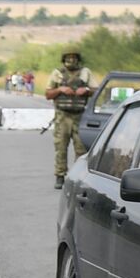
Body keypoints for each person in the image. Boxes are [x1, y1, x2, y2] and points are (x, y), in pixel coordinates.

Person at [45, 49, 93, 188]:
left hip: (80, 114)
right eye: (68, 58)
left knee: (81, 149)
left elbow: (96, 90)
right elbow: (48, 94)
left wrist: (86, 91)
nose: (71, 60)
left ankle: (78, 177)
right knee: (61, 147)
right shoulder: (57, 74)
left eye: (74, 58)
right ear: (64, 59)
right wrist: (60, 90)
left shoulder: (86, 73)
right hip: (62, 116)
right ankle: (60, 175)